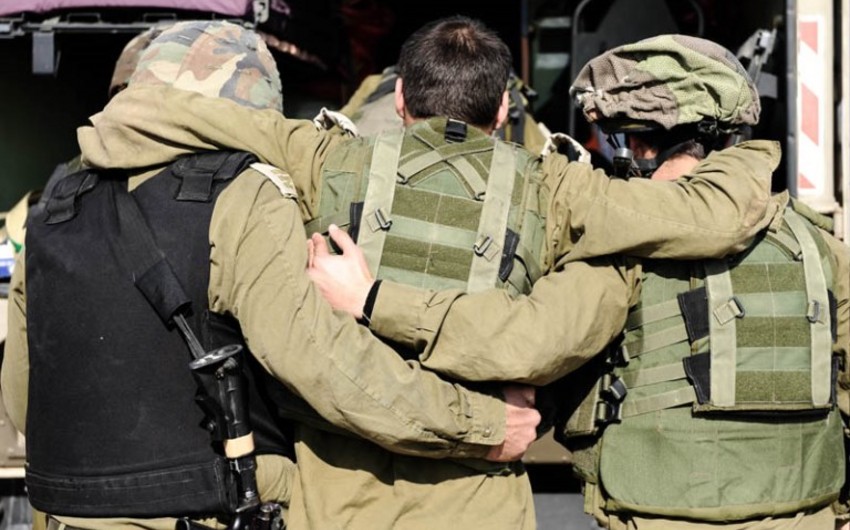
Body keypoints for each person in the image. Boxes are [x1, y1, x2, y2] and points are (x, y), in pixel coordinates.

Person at [79, 16, 781, 530]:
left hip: (337, 499)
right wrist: (750, 147)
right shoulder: (556, 189)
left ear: (400, 103)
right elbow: (715, 216)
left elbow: (151, 114)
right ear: (503, 110)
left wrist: (92, 153)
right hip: (480, 500)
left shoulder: (323, 157)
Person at [0, 20, 542, 530]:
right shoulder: (244, 197)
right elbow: (326, 368)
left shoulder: (53, 206)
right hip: (207, 510)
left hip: (68, 513)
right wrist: (481, 424)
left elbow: (23, 396)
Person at [309, 34, 850, 530]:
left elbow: (525, 344)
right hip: (812, 514)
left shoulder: (620, 254)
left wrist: (374, 300)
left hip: (655, 515)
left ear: (640, 145)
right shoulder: (817, 245)